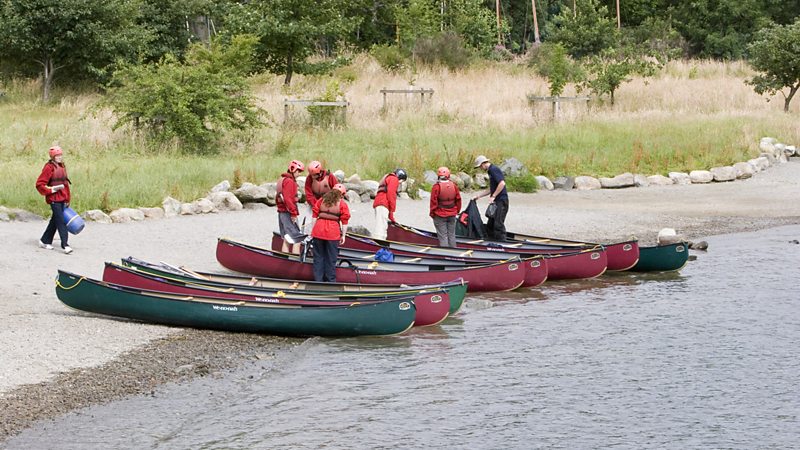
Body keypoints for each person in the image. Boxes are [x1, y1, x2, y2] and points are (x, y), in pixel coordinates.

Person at [35, 146, 73, 254]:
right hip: (53, 199)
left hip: (62, 198)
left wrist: (67, 199)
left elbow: (66, 185)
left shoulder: (62, 167)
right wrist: (51, 190)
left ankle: (44, 241)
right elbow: (39, 184)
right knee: (61, 221)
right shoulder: (48, 168)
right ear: (52, 157)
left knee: (55, 221)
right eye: (57, 156)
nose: (60, 157)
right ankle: (65, 245)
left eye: (60, 155)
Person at [310, 184, 350, 282]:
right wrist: (343, 236)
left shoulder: (321, 200)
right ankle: (330, 281)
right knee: (331, 259)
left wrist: (312, 231)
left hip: (318, 231)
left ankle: (318, 281)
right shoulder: (342, 204)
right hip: (332, 233)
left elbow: (314, 216)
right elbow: (344, 222)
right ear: (342, 194)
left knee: (318, 258)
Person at [473, 155, 508, 241]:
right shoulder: (490, 171)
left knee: (498, 224)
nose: (480, 168)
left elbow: (502, 184)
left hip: (501, 201)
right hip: (496, 201)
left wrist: (493, 196)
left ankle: (503, 243)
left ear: (483, 164)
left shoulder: (493, 170)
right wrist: (479, 196)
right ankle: (490, 241)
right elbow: (491, 188)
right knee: (490, 223)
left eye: (480, 166)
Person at [276, 159, 305, 254]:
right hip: (288, 213)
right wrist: (293, 213)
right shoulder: (289, 182)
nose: (299, 174)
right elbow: (288, 199)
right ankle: (294, 262)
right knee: (297, 239)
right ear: (293, 170)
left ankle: (285, 260)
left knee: (287, 238)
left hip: (282, 213)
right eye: (298, 171)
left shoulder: (282, 180)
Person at [429, 166, 462, 247]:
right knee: (451, 235)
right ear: (448, 175)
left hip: (440, 215)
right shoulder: (454, 186)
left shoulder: (436, 187)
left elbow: (433, 202)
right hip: (452, 214)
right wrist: (456, 211)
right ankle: (454, 254)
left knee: (443, 236)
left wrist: (432, 213)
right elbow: (458, 200)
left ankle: (445, 255)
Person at [303, 160, 339, 233]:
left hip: (329, 203)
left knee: (332, 220)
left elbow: (336, 191)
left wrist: (328, 205)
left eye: (314, 175)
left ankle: (336, 232)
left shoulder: (330, 177)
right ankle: (309, 235)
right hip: (314, 204)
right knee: (310, 220)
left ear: (319, 172)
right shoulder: (309, 178)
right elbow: (309, 194)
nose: (312, 177)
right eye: (311, 175)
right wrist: (316, 205)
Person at [372, 168, 406, 240]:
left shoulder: (388, 177)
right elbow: (391, 195)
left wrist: (390, 214)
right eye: (402, 181)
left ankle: (379, 244)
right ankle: (379, 246)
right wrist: (392, 211)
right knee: (381, 228)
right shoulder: (394, 179)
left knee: (381, 224)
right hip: (383, 204)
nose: (400, 183)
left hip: (378, 203)